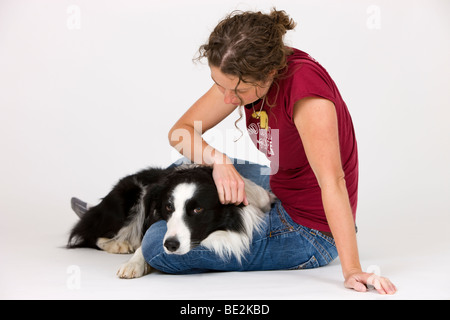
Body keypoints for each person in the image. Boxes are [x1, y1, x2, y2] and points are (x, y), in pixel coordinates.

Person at [75, 9, 396, 294]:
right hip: (280, 184)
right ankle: (109, 218)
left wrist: (352, 269)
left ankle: (144, 229)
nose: (228, 99)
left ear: (270, 72)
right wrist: (219, 160)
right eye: (220, 86)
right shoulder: (242, 70)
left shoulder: (308, 97)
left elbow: (333, 183)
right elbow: (180, 132)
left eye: (239, 91)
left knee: (158, 249)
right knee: (185, 167)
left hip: (309, 229)